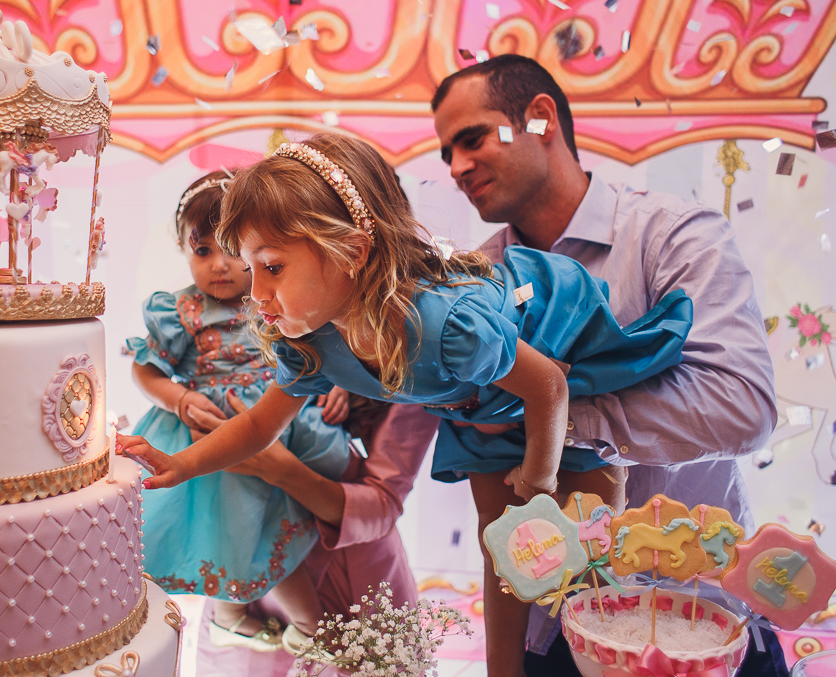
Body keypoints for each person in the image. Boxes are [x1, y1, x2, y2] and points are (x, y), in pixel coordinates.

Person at [117, 133, 694, 666]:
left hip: (551, 347)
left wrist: (540, 480)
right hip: (479, 404)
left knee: (586, 550)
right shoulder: (309, 340)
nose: (256, 292)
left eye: (271, 268)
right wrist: (184, 463)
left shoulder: (445, 326)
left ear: (353, 251)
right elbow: (260, 426)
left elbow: (550, 385)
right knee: (500, 547)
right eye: (251, 269)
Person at [431, 54, 778, 676]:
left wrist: (552, 413)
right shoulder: (470, 289)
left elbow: (742, 406)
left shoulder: (671, 236)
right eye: (446, 154)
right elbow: (497, 512)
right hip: (552, 636)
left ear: (539, 120)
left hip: (698, 623)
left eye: (473, 138)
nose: (457, 167)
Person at [126, 172, 351, 656]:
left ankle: (309, 624)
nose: (219, 266)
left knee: (273, 524)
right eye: (202, 251)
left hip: (277, 430)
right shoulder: (181, 309)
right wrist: (178, 399)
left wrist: (338, 388)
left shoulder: (277, 299)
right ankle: (229, 615)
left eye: (231, 250)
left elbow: (315, 358)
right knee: (228, 527)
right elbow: (145, 371)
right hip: (206, 435)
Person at [190, 396, 440, 675]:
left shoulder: (416, 371)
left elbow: (383, 503)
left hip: (343, 570)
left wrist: (279, 468)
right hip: (251, 566)